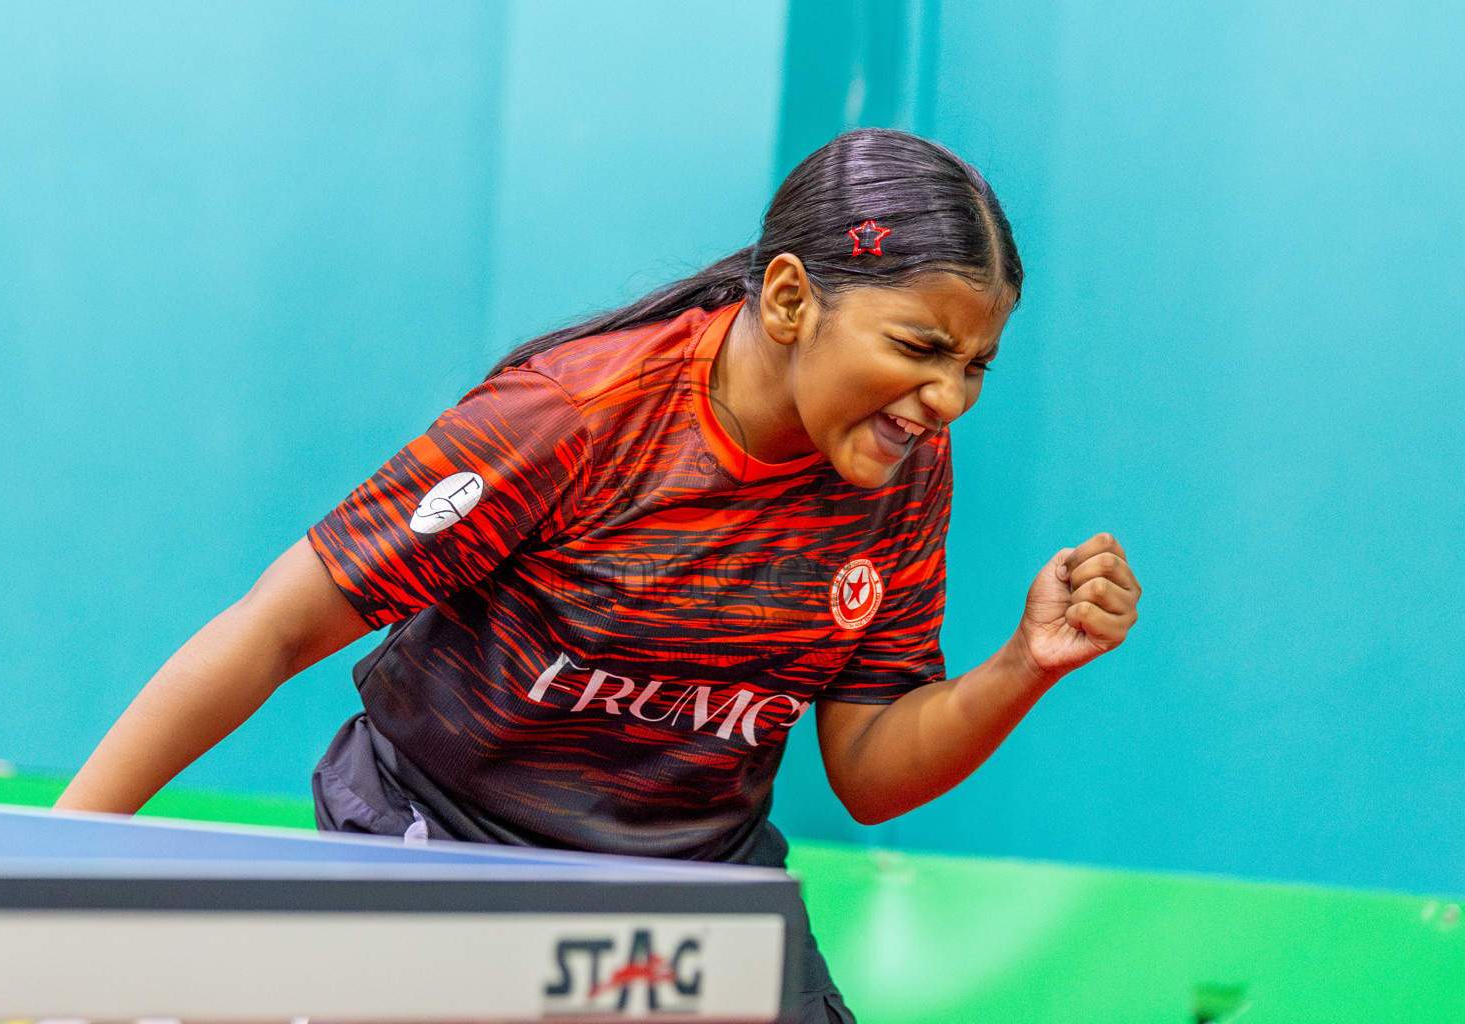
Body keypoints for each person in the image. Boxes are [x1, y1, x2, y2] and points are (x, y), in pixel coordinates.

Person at [57, 127, 1141, 1022]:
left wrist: (1024, 666)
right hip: (453, 850)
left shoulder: (902, 469)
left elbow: (865, 768)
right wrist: (42, 878)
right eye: (918, 347)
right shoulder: (572, 420)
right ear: (789, 298)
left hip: (691, 897)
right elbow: (273, 630)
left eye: (975, 364)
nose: (948, 396)